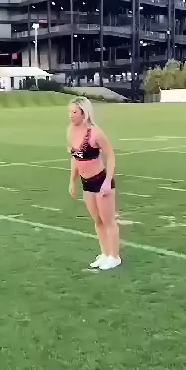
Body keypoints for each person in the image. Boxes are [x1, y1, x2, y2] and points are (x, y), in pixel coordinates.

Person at [67, 97, 121, 270]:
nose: (70, 115)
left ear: (84, 113)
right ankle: (105, 253)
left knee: (108, 221)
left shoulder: (95, 133)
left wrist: (107, 181)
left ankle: (114, 256)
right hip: (86, 183)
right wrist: (72, 181)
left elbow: (111, 155)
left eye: (74, 112)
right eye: (69, 112)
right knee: (97, 221)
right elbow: (75, 159)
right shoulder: (71, 132)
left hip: (100, 181)